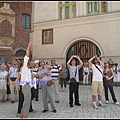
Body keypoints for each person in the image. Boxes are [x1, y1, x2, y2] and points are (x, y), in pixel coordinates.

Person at [19, 41, 33, 118]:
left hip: (26, 86)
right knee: (27, 101)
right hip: (26, 86)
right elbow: (27, 56)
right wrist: (28, 47)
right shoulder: (24, 67)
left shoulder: (26, 69)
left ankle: (22, 114)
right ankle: (25, 116)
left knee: (26, 101)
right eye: (30, 62)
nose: (31, 62)